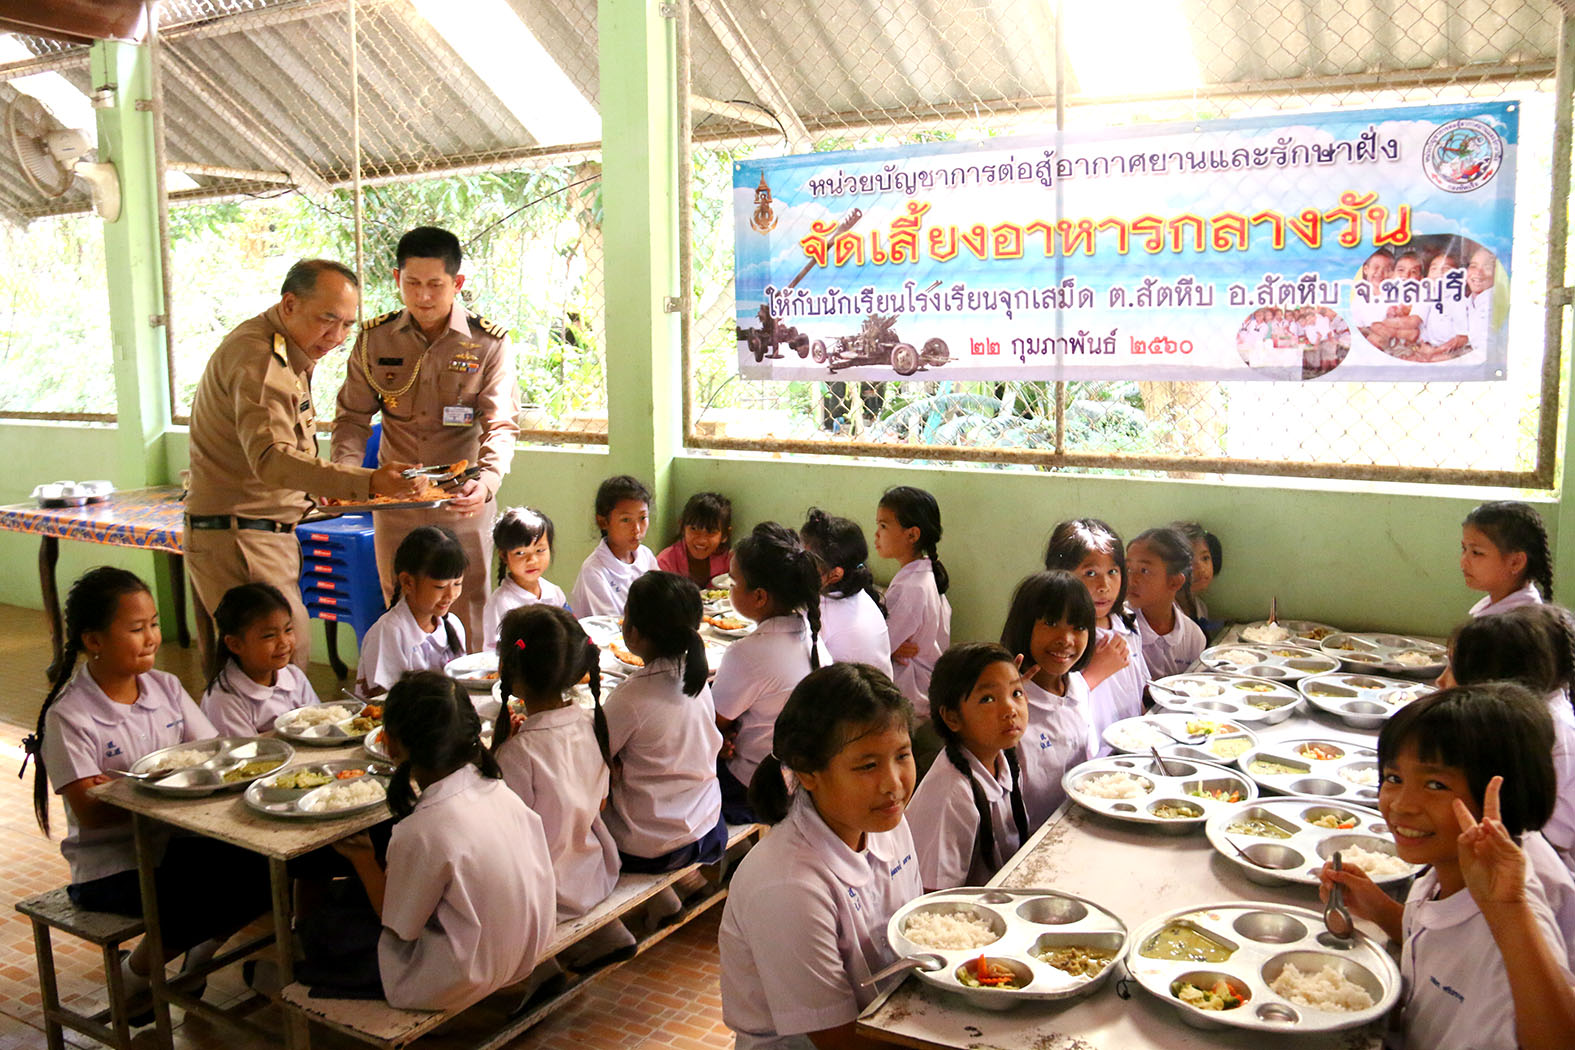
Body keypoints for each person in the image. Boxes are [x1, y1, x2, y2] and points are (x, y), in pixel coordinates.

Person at [25, 567, 271, 1008]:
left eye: (154, 624)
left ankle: (195, 962)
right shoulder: (69, 715)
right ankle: (134, 977)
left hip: (177, 843)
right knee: (207, 888)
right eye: (136, 629)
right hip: (112, 867)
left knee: (264, 867)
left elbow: (214, 757)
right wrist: (166, 784)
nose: (152, 638)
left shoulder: (166, 687)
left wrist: (128, 787)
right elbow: (92, 813)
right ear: (94, 640)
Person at [186, 259, 420, 669]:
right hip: (243, 540)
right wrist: (368, 482)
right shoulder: (260, 358)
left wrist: (319, 489)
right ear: (290, 304)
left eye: (347, 325)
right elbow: (272, 459)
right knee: (270, 673)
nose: (337, 336)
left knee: (277, 673)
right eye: (327, 320)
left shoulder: (286, 352)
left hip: (264, 533)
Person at [1317, 684, 1575, 1050]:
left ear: (1504, 796)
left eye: (1436, 784)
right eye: (1394, 778)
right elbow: (1438, 945)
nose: (1401, 804)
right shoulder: (1444, 871)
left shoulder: (1512, 913)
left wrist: (1509, 911)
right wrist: (1378, 908)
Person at [331, 226, 520, 651]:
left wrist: (487, 483)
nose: (423, 296)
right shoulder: (375, 339)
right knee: (400, 608)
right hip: (395, 502)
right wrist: (346, 476)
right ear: (397, 279)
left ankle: (466, 691)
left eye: (435, 284)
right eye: (412, 283)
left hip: (461, 502)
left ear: (457, 282)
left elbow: (501, 424)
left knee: (467, 608)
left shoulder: (487, 343)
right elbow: (351, 418)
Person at [718, 664, 921, 1050]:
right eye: (868, 765)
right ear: (809, 773)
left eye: (902, 755)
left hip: (891, 1020)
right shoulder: (787, 886)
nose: (894, 783)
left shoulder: (885, 820)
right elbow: (839, 1041)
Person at [328, 671, 556, 1011]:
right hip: (525, 951)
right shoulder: (497, 789)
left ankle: (273, 979)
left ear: (390, 743)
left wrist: (363, 860)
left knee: (327, 932)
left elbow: (398, 923)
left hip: (464, 974)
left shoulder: (421, 829)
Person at [491, 606, 624, 945]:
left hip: (548, 893)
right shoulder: (590, 723)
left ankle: (544, 966)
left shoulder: (518, 753)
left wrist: (497, 755)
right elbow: (601, 802)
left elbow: (504, 837)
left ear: (508, 667)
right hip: (593, 872)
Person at [603, 572, 727, 872]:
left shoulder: (629, 697)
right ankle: (687, 884)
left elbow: (595, 756)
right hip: (709, 825)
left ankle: (669, 891)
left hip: (654, 847)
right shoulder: (696, 675)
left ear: (633, 632)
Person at [1448, 605, 1575, 890]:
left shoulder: (1546, 733)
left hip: (1536, 874)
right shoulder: (1533, 717)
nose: (1442, 681)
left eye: (1455, 671)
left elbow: (1552, 837)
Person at [713, 522, 828, 824]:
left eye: (733, 583)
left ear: (760, 597)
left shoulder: (746, 654)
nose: (729, 588)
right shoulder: (811, 636)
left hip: (754, 789)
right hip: (798, 782)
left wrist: (723, 735)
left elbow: (711, 723)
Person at [907, 643, 1030, 891]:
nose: (1010, 709)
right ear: (952, 717)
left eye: (1016, 693)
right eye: (988, 699)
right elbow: (935, 896)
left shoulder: (1004, 759)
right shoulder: (951, 794)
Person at [1044, 519, 1148, 753]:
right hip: (1089, 757)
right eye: (1090, 573)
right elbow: (1049, 709)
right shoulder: (1058, 637)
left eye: (1113, 571)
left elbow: (1137, 691)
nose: (1104, 585)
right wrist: (1094, 674)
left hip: (1132, 748)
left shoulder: (1126, 622)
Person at [999, 571, 1095, 825]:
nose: (1066, 640)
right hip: (1028, 840)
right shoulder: (1005, 704)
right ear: (1024, 626)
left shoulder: (1076, 685)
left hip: (1078, 822)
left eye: (1078, 628)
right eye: (1051, 623)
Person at [356, 526, 467, 697]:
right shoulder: (389, 632)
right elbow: (385, 700)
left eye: (457, 584)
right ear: (408, 582)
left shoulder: (453, 624)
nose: (450, 595)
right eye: (440, 587)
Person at [200, 582, 320, 737]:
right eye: (269, 635)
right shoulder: (223, 699)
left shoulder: (295, 677)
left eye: (288, 630)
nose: (284, 642)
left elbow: (319, 725)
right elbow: (246, 750)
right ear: (235, 644)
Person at [875, 486, 951, 717]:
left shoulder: (911, 588)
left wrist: (890, 649)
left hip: (909, 692)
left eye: (883, 526)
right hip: (924, 687)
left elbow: (879, 647)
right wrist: (893, 647)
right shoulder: (925, 575)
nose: (876, 534)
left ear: (912, 535)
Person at [800, 508, 892, 676]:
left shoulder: (824, 611)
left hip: (853, 692)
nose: (800, 566)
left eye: (808, 562)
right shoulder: (860, 596)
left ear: (835, 574)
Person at [570, 475, 659, 617]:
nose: (636, 529)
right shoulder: (593, 571)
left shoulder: (645, 556)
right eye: (626, 520)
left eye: (643, 518)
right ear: (603, 522)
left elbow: (660, 600)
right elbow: (608, 624)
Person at [1126, 527, 1206, 679]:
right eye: (1128, 569)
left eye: (1144, 571)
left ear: (1174, 582)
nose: (1131, 580)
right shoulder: (1118, 628)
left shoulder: (1193, 637)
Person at [482, 507, 566, 649]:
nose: (532, 560)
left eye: (540, 550)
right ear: (504, 555)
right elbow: (494, 652)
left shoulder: (554, 593)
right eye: (520, 553)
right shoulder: (500, 603)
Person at [1462, 500, 1551, 616]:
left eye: (1476, 552)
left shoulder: (1516, 622)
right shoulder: (1498, 607)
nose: (1463, 561)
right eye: (1464, 549)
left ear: (1515, 562)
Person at [656, 492, 733, 587]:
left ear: (724, 535)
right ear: (682, 528)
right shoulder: (665, 563)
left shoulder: (730, 562)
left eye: (711, 532)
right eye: (694, 529)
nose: (701, 540)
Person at [1170, 521, 1220, 626]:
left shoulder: (1201, 607)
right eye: (1189, 562)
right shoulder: (1164, 611)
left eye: (1205, 558)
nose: (1201, 568)